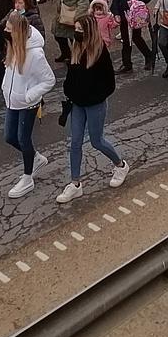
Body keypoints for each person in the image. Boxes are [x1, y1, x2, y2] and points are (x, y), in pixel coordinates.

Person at [56, 14, 131, 203]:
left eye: (80, 30)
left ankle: (120, 165)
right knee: (75, 143)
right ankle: (75, 184)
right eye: (76, 29)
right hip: (77, 104)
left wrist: (93, 96)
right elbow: (71, 76)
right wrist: (70, 92)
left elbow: (109, 84)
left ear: (88, 31)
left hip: (95, 104)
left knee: (97, 141)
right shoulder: (76, 48)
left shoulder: (100, 52)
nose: (77, 33)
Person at [1, 13, 57, 198]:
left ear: (17, 32)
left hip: (27, 103)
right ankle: (36, 158)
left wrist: (29, 95)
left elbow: (49, 80)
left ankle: (27, 177)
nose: (5, 32)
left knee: (23, 139)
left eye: (9, 29)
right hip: (13, 101)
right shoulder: (13, 47)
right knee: (10, 136)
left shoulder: (35, 54)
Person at [110, 0, 156, 73]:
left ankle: (149, 56)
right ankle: (127, 64)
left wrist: (139, 3)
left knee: (135, 37)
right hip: (124, 13)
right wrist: (116, 13)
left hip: (136, 15)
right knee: (126, 39)